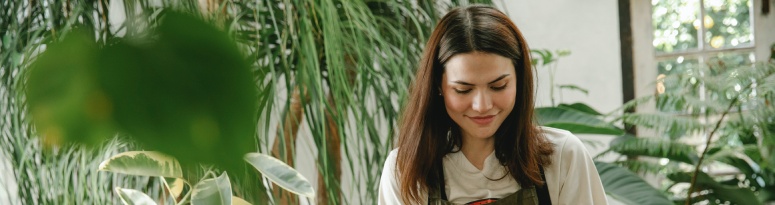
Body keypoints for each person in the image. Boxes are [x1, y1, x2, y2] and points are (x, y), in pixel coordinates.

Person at [378, 5, 608, 205]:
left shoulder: (563, 156)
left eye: (498, 86)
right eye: (463, 90)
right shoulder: (406, 170)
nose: (482, 105)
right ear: (439, 86)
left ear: (519, 80)